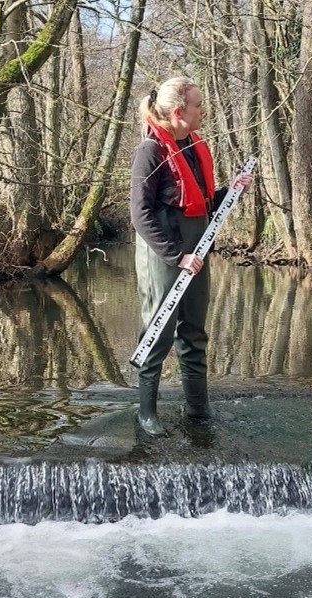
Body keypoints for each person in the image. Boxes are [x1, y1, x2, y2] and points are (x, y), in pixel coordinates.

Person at [129, 76, 251, 436]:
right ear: (179, 111)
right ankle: (146, 413)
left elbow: (202, 201)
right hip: (164, 255)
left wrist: (232, 190)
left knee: (195, 333)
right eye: (199, 105)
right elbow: (140, 213)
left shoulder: (194, 147)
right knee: (159, 333)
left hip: (198, 250)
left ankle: (198, 408)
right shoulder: (150, 152)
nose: (204, 111)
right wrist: (175, 255)